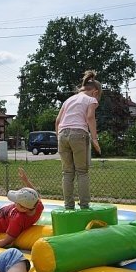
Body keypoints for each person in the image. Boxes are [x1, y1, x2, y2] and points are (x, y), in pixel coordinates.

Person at [55, 70, 102, 210]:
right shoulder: (91, 99)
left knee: (67, 172)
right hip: (79, 134)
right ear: (95, 91)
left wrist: (60, 137)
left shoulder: (69, 100)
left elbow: (58, 121)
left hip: (62, 134)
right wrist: (94, 139)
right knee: (82, 171)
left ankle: (68, 206)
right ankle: (84, 206)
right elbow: (89, 118)